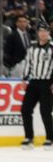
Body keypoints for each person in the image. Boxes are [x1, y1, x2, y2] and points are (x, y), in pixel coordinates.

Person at [20, 22, 53, 150]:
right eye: (41, 31)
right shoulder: (32, 48)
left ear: (49, 33)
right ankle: (29, 138)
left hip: (47, 82)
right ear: (38, 33)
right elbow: (28, 63)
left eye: (45, 31)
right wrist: (24, 78)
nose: (43, 33)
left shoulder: (51, 47)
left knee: (45, 111)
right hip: (34, 82)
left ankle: (50, 138)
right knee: (25, 109)